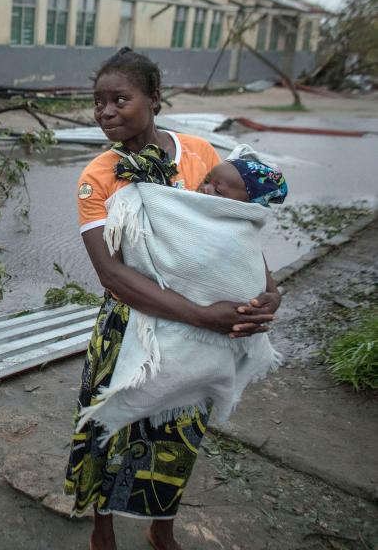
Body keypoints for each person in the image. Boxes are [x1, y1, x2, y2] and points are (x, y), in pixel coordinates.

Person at [64, 48, 281, 550]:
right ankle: (103, 527)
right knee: (110, 427)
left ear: (154, 99)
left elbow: (239, 233)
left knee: (177, 433)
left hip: (198, 329)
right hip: (131, 324)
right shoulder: (98, 177)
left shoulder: (200, 156)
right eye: (98, 103)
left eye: (120, 98)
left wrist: (268, 293)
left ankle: (162, 529)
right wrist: (204, 316)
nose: (106, 112)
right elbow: (111, 274)